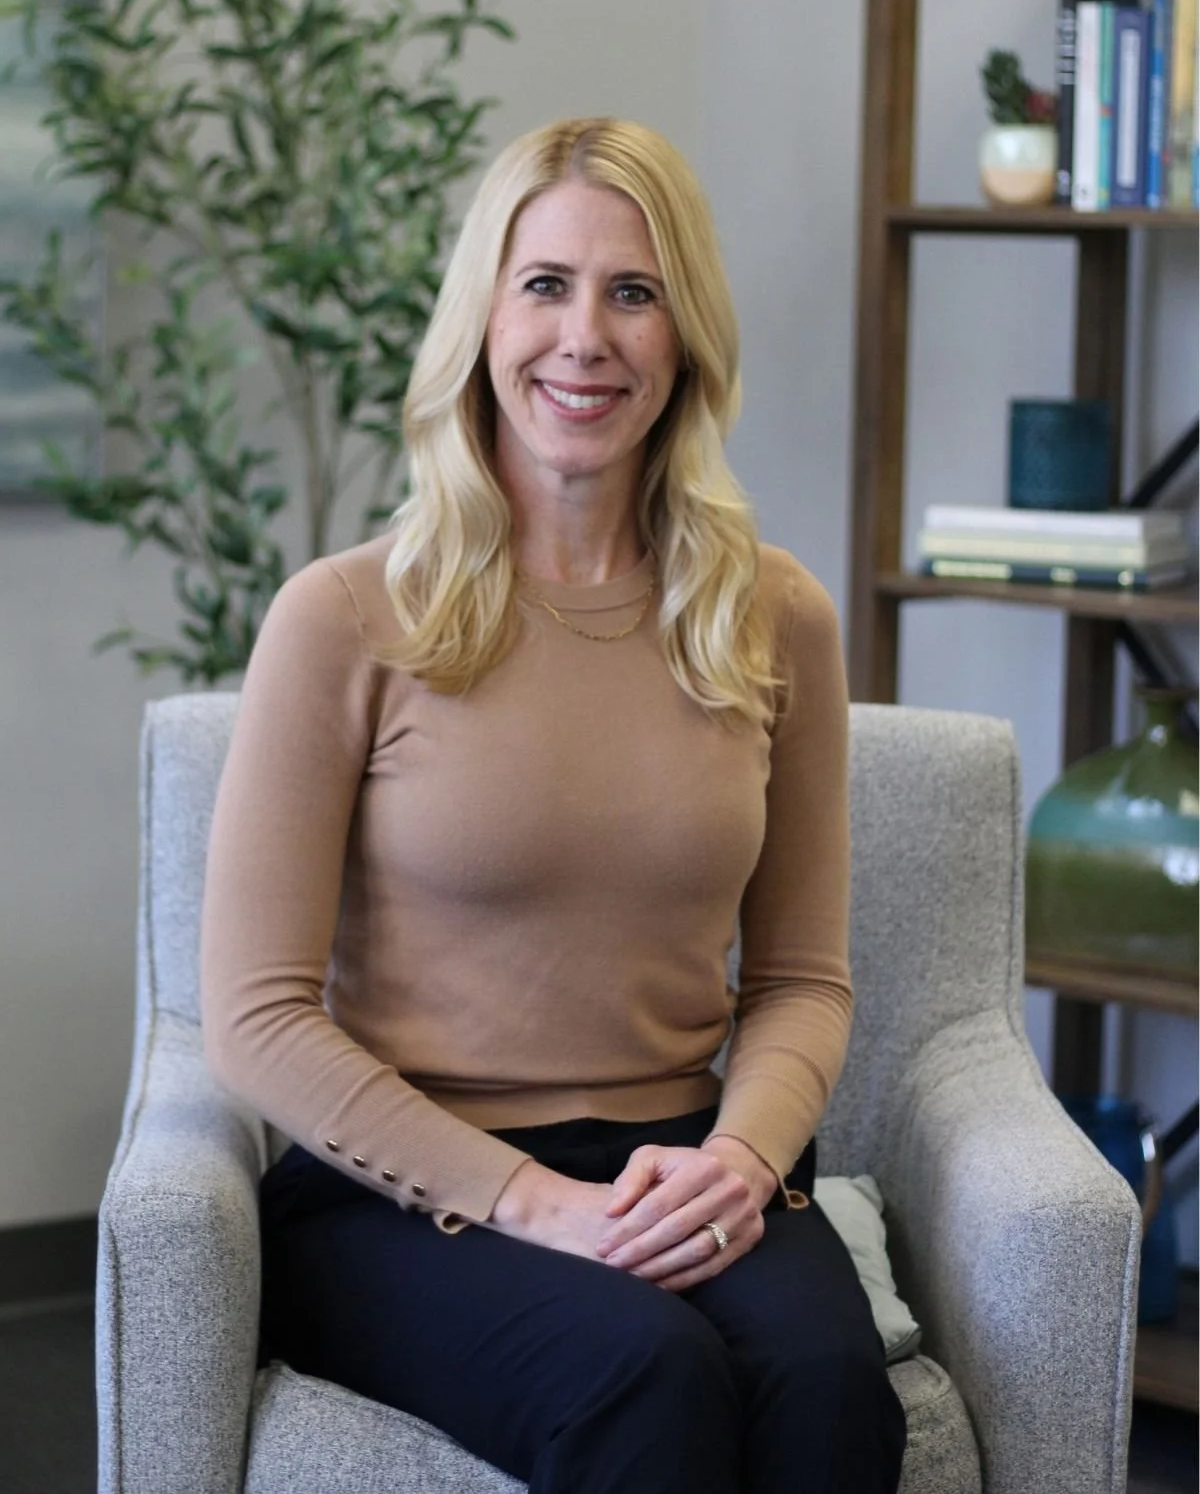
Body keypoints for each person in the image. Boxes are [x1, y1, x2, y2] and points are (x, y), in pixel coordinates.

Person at [200, 116, 907, 1493]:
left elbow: (806, 978)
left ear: (684, 335)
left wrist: (745, 1161)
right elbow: (256, 1015)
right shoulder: (345, 618)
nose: (586, 337)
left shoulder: (776, 616)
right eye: (546, 285)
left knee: (826, 1385)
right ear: (482, 318)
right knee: (643, 1373)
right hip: (399, 1195)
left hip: (686, 1156)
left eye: (633, 293)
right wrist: (537, 1205)